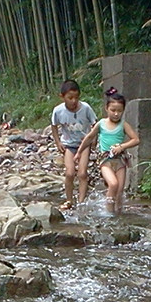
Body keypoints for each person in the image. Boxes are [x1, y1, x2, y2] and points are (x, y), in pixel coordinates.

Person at [77, 88, 140, 214]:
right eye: (113, 110)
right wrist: (79, 152)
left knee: (120, 190)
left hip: (120, 161)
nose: (116, 114)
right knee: (113, 184)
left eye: (119, 111)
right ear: (106, 109)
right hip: (105, 161)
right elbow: (89, 137)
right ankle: (108, 213)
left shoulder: (123, 125)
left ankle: (119, 212)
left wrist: (122, 146)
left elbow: (136, 140)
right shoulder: (101, 124)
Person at [50, 80, 97, 210]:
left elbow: (95, 124)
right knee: (70, 173)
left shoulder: (86, 108)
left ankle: (81, 202)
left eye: (76, 97)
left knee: (82, 173)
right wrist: (58, 142)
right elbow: (54, 126)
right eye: (70, 98)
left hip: (84, 144)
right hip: (68, 145)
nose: (73, 101)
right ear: (62, 96)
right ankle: (69, 200)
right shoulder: (58, 111)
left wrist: (94, 139)